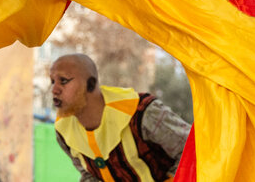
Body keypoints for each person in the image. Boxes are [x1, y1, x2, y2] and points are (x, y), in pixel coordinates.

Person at [50, 54, 191, 182]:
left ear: (91, 84)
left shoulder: (142, 112)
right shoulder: (63, 130)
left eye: (63, 81)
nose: (54, 90)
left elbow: (194, 150)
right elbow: (90, 175)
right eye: (52, 81)